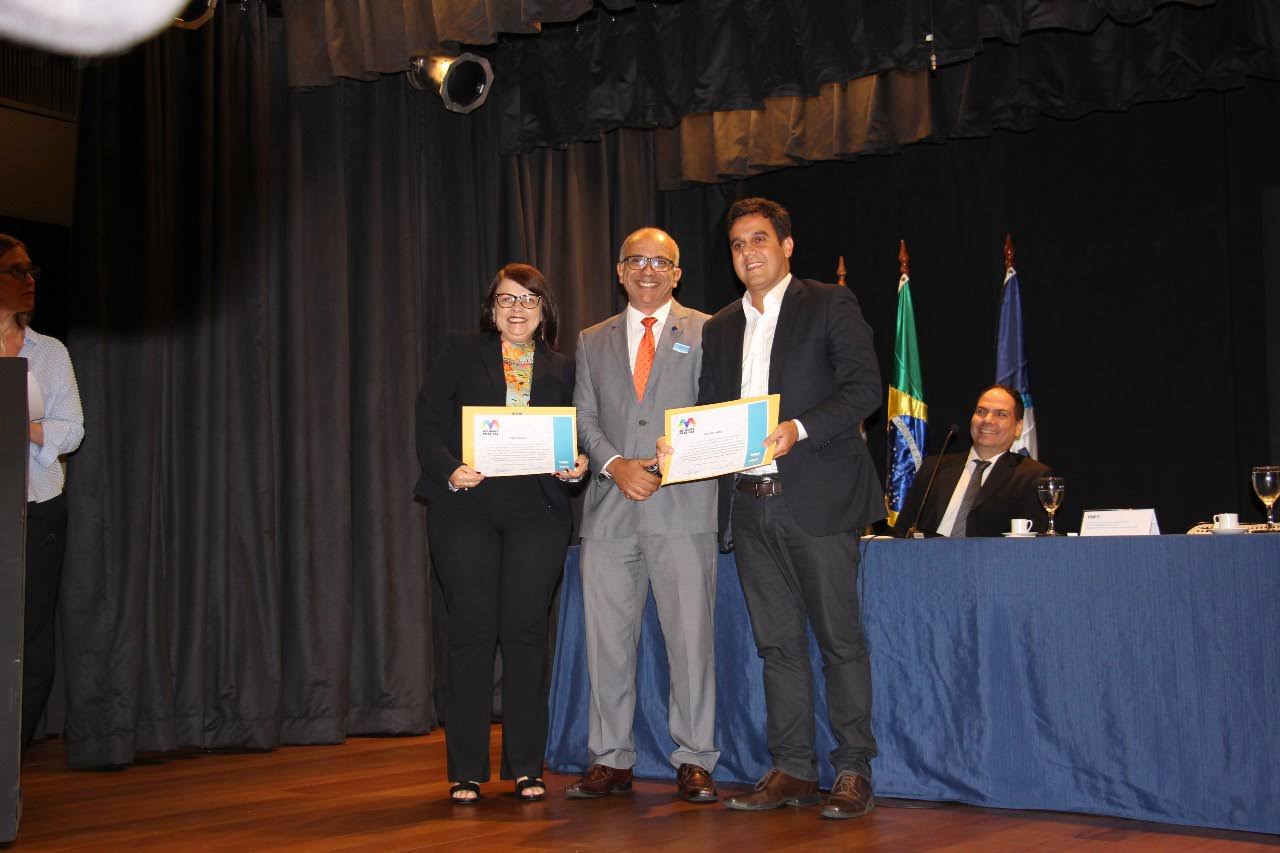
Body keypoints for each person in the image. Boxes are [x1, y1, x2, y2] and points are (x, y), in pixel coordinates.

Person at [687, 198, 884, 819]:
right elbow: (710, 409)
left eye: (760, 239)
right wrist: (682, 444)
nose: (748, 252)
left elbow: (865, 389)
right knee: (777, 646)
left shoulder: (828, 303)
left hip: (817, 500)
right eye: (738, 244)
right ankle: (794, 768)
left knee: (839, 641)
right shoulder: (720, 326)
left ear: (787, 245)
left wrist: (799, 427)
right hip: (748, 506)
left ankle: (853, 768)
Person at [414, 263, 588, 804]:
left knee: (526, 636)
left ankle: (526, 767)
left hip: (538, 513)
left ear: (544, 311)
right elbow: (428, 419)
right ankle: (466, 770)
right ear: (491, 308)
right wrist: (448, 468)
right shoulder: (460, 351)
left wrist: (576, 467)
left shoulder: (565, 368)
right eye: (507, 299)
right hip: (465, 508)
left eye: (529, 300)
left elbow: (578, 437)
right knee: (469, 633)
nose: (518, 309)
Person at [566, 227, 720, 804]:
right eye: (636, 260)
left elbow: (719, 411)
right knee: (606, 642)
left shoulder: (709, 329)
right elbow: (583, 416)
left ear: (677, 273)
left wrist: (673, 459)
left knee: (691, 642)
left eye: (660, 261)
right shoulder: (591, 339)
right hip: (608, 512)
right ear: (619, 270)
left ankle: (695, 758)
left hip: (684, 506)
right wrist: (614, 465)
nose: (647, 270)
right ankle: (610, 759)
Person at [0, 234, 84, 752]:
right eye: (16, 270)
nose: (29, 280)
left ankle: (9, 757)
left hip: (36, 509)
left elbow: (72, 431)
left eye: (32, 271)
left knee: (30, 634)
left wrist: (20, 422)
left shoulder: (49, 352)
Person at [892, 384, 1052, 537]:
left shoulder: (1032, 476)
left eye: (1001, 414)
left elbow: (1030, 545)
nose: (987, 420)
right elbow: (902, 532)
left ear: (1018, 427)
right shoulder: (934, 467)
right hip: (925, 554)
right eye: (981, 411)